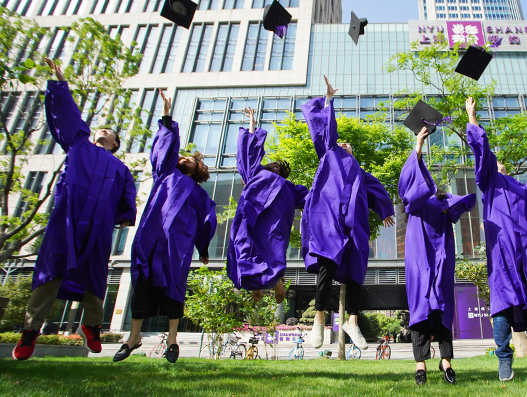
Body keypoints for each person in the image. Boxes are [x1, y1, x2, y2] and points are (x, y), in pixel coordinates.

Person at [12, 58, 137, 361]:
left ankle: (91, 326)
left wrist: (122, 217)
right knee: (53, 264)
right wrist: (59, 82)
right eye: (101, 129)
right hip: (68, 216)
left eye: (109, 131)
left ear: (116, 143)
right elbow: (67, 115)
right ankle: (31, 330)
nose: (103, 131)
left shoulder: (120, 168)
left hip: (99, 224)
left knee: (95, 272)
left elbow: (127, 197)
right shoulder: (80, 146)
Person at [466, 97, 527, 381]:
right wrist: (472, 117)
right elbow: (481, 151)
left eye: (498, 163)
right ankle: (504, 360)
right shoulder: (488, 183)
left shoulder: (523, 188)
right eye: (490, 161)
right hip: (502, 251)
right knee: (503, 300)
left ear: (505, 167)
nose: (493, 163)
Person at [114, 89, 216, 364]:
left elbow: (207, 221)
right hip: (151, 238)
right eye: (181, 156)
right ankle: (133, 337)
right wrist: (168, 115)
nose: (183, 157)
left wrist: (203, 247)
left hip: (175, 248)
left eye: (190, 158)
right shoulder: (166, 174)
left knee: (174, 287)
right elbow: (165, 150)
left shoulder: (199, 194)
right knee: (143, 284)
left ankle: (172, 340)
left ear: (198, 168)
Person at [302, 76, 395, 350]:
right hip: (329, 221)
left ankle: (351, 321)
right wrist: (328, 100)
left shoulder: (360, 172)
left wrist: (385, 210)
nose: (344, 145)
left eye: (348, 145)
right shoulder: (329, 153)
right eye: (341, 143)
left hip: (353, 226)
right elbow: (325, 130)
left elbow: (377, 190)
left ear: (354, 152)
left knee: (357, 269)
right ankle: (319, 319)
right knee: (326, 266)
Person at [399, 126, 476, 385]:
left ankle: (446, 362)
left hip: (442, 252)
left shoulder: (443, 199)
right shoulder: (414, 202)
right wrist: (418, 147)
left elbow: (463, 202)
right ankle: (420, 364)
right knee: (420, 303)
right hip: (419, 253)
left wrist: (448, 207)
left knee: (443, 304)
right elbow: (409, 182)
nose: (424, 181)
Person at [227, 106, 308, 303]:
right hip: (249, 218)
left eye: (279, 167)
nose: (275, 166)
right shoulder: (255, 175)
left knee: (272, 249)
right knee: (244, 245)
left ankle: (276, 280)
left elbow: (312, 199)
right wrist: (252, 125)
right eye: (273, 164)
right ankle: (255, 284)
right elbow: (249, 153)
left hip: (274, 224)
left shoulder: (290, 187)